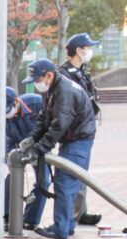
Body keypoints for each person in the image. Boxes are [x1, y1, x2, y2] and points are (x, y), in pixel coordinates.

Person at [19, 59, 96, 239]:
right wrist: (32, 139)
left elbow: (59, 125)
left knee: (65, 183)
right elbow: (44, 118)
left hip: (79, 141)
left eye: (38, 80)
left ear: (49, 75)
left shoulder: (65, 91)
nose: (37, 84)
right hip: (70, 140)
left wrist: (39, 149)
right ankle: (66, 225)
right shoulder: (53, 88)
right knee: (64, 182)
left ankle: (60, 229)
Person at [59, 32, 103, 227]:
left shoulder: (81, 72)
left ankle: (79, 212)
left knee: (81, 175)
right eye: (88, 47)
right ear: (79, 50)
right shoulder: (65, 75)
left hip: (85, 132)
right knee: (70, 177)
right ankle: (68, 219)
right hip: (74, 134)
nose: (90, 51)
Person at [5, 87, 48, 231]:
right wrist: (9, 157)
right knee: (11, 178)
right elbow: (4, 139)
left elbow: (50, 124)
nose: (8, 114)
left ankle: (30, 219)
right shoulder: (0, 115)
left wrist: (41, 147)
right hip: (15, 146)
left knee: (44, 181)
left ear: (16, 102)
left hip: (38, 147)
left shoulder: (37, 103)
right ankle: (7, 216)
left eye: (9, 109)